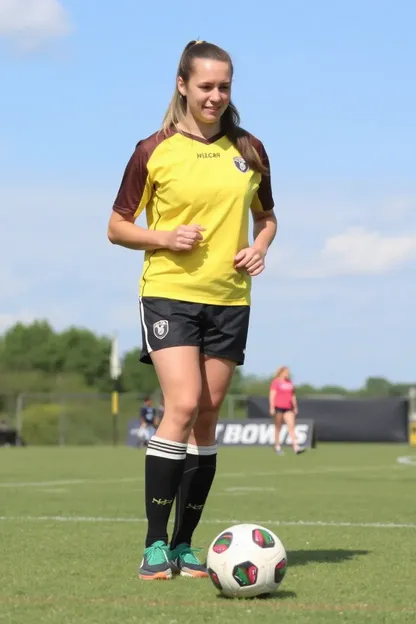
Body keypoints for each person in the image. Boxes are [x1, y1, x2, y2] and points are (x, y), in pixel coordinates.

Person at [108, 39, 277, 581]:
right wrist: (164, 236)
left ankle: (184, 546)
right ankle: (153, 548)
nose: (216, 96)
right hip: (169, 293)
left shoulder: (249, 149)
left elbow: (267, 216)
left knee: (208, 415)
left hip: (229, 298)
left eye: (224, 87)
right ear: (182, 84)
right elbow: (116, 226)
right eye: (206, 86)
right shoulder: (152, 149)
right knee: (181, 405)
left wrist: (260, 246)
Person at [269, 366, 305, 455]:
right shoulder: (276, 382)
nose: (288, 374)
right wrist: (272, 407)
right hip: (278, 407)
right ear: (281, 372)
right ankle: (277, 446)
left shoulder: (290, 383)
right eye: (286, 372)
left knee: (291, 426)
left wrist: (295, 406)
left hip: (288, 407)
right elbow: (272, 395)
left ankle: (295, 446)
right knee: (278, 427)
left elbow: (292, 395)